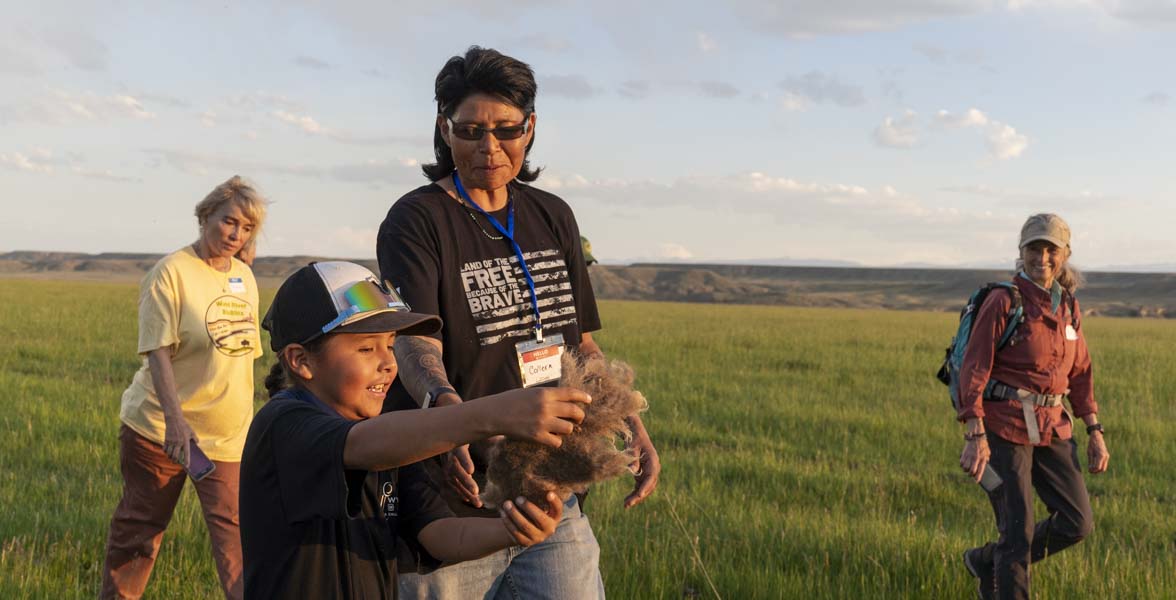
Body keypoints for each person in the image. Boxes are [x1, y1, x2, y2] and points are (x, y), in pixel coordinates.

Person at [376, 46, 660, 599]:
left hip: (549, 488)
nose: (489, 147)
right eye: (470, 130)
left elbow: (579, 341)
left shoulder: (552, 215)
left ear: (530, 129)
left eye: (505, 129)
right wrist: (446, 412)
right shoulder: (416, 219)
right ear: (444, 129)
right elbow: (414, 341)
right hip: (454, 493)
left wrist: (629, 422)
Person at [240, 261, 591, 599]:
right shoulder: (284, 424)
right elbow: (361, 446)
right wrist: (493, 414)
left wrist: (510, 531)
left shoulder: (390, 442)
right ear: (301, 360)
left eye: (391, 345)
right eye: (366, 348)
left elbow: (438, 533)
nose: (388, 363)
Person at [100, 176, 268, 599]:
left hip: (226, 438)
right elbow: (157, 353)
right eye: (229, 222)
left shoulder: (245, 278)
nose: (235, 235)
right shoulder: (170, 273)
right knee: (140, 532)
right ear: (204, 215)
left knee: (239, 540)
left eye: (246, 228)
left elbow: (242, 356)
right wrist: (176, 425)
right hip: (163, 432)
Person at [957, 213, 1110, 600]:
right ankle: (1004, 571)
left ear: (1064, 255)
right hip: (1004, 427)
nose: (1041, 257)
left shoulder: (1068, 307)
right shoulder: (1003, 300)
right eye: (1033, 248)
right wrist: (975, 433)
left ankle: (987, 560)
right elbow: (974, 368)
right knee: (1017, 531)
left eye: (1050, 249)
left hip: (1053, 427)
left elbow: (1081, 373)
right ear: (1021, 252)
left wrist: (1095, 430)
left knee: (1077, 522)